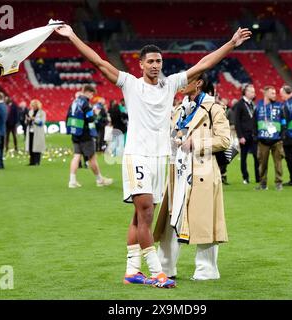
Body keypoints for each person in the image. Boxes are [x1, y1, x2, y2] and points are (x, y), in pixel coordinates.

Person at [55, 23, 251, 288]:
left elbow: (203, 64)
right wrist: (72, 36)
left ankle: (132, 270)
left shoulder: (170, 85)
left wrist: (231, 44)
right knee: (146, 211)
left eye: (159, 61)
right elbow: (99, 62)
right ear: (141, 65)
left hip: (162, 160)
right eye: (151, 61)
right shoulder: (130, 84)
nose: (156, 65)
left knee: (140, 216)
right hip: (137, 156)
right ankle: (157, 272)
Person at [154, 73, 230, 280]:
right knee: (171, 215)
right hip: (176, 168)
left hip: (202, 169)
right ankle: (165, 266)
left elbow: (224, 140)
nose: (180, 84)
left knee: (203, 218)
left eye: (186, 80)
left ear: (198, 84)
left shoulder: (214, 108)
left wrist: (197, 144)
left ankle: (207, 269)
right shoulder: (178, 110)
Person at [66, 85, 113, 188]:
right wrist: (95, 115)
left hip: (75, 133)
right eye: (92, 94)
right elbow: (90, 119)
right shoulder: (86, 103)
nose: (92, 96)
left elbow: (68, 116)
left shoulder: (74, 102)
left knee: (76, 156)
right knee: (92, 157)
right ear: (87, 92)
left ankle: (72, 181)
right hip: (85, 134)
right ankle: (99, 180)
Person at [254, 86, 286, 191]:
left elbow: (283, 121)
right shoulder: (258, 106)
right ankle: (263, 184)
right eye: (272, 93)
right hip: (263, 140)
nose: (274, 95)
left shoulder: (279, 106)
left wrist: (282, 135)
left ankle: (279, 183)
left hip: (276, 140)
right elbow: (254, 122)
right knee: (262, 164)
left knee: (278, 163)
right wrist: (256, 136)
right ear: (266, 94)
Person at [233, 83, 259, 185]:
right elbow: (237, 121)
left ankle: (258, 178)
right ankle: (245, 177)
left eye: (254, 91)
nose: (254, 93)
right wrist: (240, 136)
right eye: (252, 91)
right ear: (246, 92)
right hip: (244, 135)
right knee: (243, 158)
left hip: (253, 135)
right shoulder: (239, 104)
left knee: (257, 157)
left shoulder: (253, 104)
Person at [25, 99, 46, 166]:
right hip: (31, 131)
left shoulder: (42, 113)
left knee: (37, 147)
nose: (33, 107)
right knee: (31, 146)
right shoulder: (30, 112)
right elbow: (26, 122)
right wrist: (27, 120)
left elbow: (42, 122)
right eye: (32, 105)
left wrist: (34, 119)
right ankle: (31, 161)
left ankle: (37, 161)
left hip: (38, 132)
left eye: (34, 105)